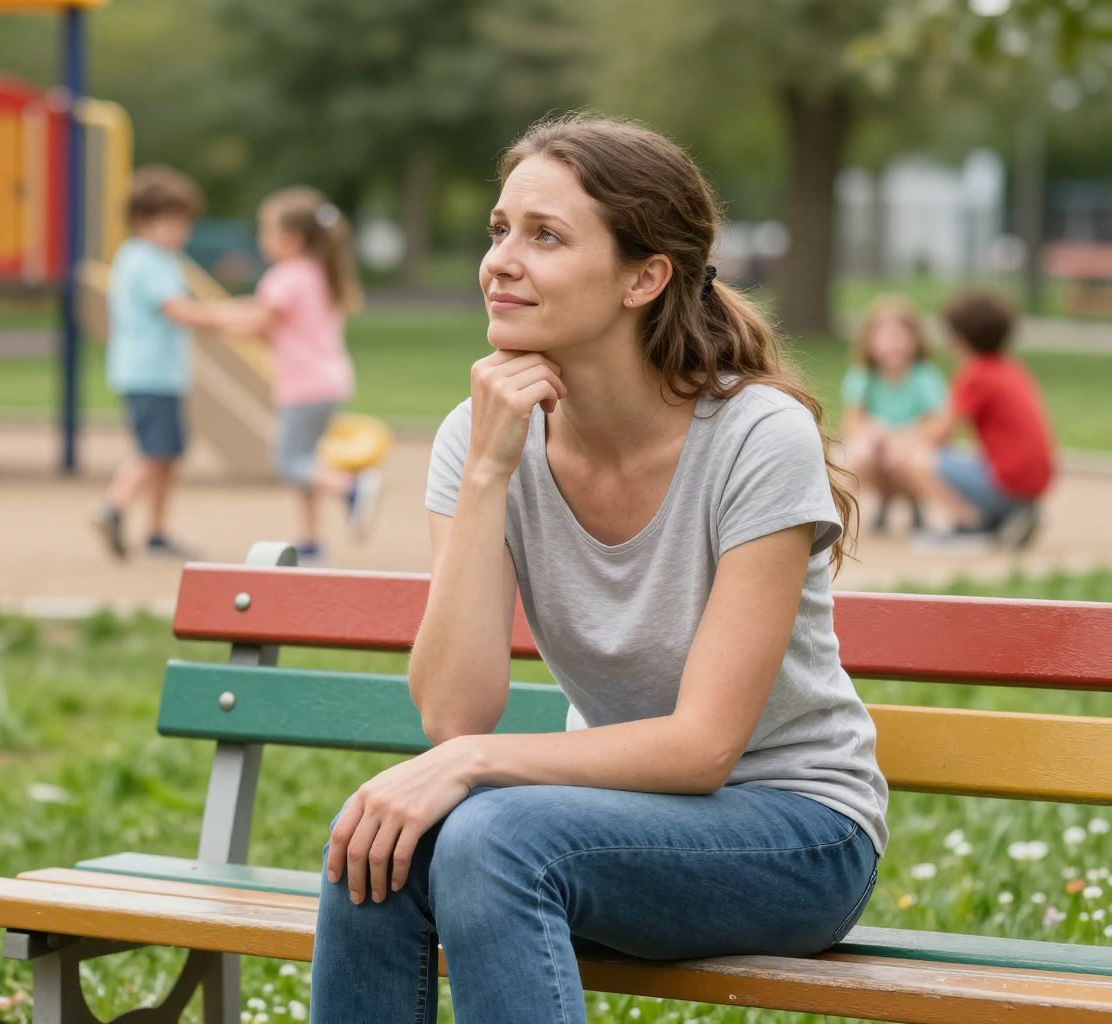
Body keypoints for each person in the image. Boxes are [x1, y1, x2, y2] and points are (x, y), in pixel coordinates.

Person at [309, 115, 887, 1023]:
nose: (501, 259)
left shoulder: (755, 439)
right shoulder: (480, 436)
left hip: (797, 834)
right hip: (599, 819)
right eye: (500, 229)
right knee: (376, 847)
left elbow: (703, 749)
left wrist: (470, 764)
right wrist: (492, 473)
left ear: (644, 277)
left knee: (494, 837)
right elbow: (453, 712)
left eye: (545, 236)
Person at [221, 186, 380, 561]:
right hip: (330, 382)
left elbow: (257, 323)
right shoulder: (317, 273)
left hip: (305, 387)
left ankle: (351, 488)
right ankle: (310, 540)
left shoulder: (286, 276)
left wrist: (213, 323)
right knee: (307, 461)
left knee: (288, 462)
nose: (262, 239)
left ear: (291, 238)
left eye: (266, 230)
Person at [95, 166, 242, 560]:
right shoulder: (150, 261)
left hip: (149, 372)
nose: (182, 233)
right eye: (173, 223)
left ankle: (156, 530)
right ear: (143, 221)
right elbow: (177, 310)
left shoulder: (138, 257)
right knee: (154, 450)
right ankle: (115, 505)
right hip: (150, 373)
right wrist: (226, 320)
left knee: (166, 452)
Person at [898, 290, 1054, 550]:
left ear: (959, 338)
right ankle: (1006, 516)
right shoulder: (1012, 369)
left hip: (1009, 484)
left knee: (918, 459)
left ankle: (971, 525)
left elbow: (940, 433)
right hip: (1034, 483)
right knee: (963, 455)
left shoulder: (976, 374)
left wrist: (901, 440)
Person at [839, 296, 947, 533]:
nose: (894, 344)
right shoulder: (863, 376)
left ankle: (915, 502)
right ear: (870, 341)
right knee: (859, 452)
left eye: (901, 336)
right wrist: (874, 433)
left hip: (910, 444)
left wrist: (906, 438)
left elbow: (938, 423)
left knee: (907, 456)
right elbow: (853, 423)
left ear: (915, 340)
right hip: (879, 445)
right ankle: (840, 514)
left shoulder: (924, 376)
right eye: (886, 336)